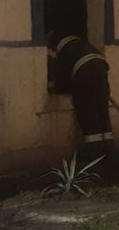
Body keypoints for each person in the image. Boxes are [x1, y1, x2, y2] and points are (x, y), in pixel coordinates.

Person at [47, 32, 114, 164]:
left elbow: (63, 81)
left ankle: (93, 155)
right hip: (101, 68)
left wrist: (53, 87)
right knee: (102, 111)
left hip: (85, 73)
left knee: (88, 112)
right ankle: (108, 151)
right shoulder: (78, 44)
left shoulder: (63, 51)